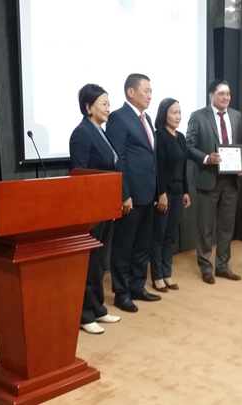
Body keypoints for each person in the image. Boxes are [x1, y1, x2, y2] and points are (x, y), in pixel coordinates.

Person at [69, 84, 121, 334]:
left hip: (106, 205)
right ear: (88, 107)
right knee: (89, 262)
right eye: (103, 104)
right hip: (90, 209)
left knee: (100, 261)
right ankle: (84, 314)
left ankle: (98, 309)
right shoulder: (81, 134)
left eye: (109, 103)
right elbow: (79, 174)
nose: (108, 108)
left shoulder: (101, 132)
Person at [106, 73, 161, 313]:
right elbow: (118, 159)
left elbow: (150, 157)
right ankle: (121, 292)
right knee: (124, 246)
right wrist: (123, 193)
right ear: (131, 92)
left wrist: (158, 190)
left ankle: (137, 286)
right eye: (146, 90)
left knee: (142, 244)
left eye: (151, 91)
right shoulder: (118, 117)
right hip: (130, 195)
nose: (150, 95)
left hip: (148, 193)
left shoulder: (146, 117)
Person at [186, 79, 242, 284]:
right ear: (211, 95)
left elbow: (240, 144)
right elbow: (188, 146)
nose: (226, 97)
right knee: (205, 227)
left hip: (231, 181)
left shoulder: (236, 116)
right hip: (208, 178)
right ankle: (205, 267)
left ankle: (222, 265)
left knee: (227, 226)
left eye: (228, 94)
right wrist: (206, 158)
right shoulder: (198, 116)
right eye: (221, 94)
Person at [150, 98, 191, 292]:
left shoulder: (180, 137)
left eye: (179, 112)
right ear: (164, 114)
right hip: (164, 194)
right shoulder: (159, 135)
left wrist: (186, 191)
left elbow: (183, 168)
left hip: (178, 193)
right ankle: (157, 276)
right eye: (174, 112)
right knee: (158, 235)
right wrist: (161, 193)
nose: (178, 116)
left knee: (170, 236)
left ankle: (167, 273)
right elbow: (158, 168)